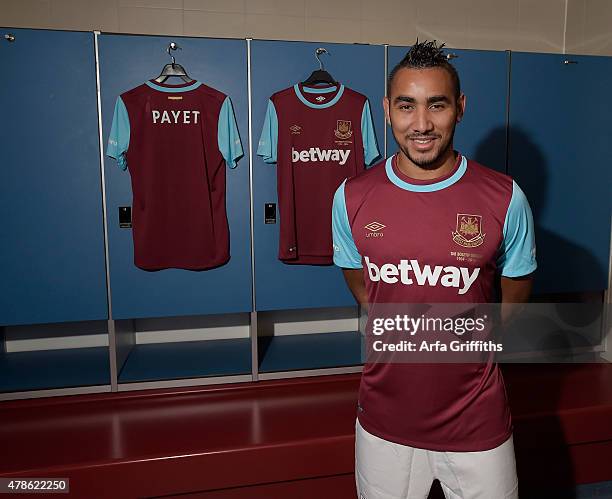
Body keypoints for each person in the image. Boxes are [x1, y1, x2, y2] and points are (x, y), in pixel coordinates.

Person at [331, 40, 536, 499]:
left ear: (460, 109)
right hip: (385, 422)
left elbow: (516, 295)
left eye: (436, 105)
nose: (421, 124)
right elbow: (363, 286)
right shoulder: (351, 196)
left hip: (477, 420)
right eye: (406, 106)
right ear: (386, 110)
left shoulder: (505, 197)